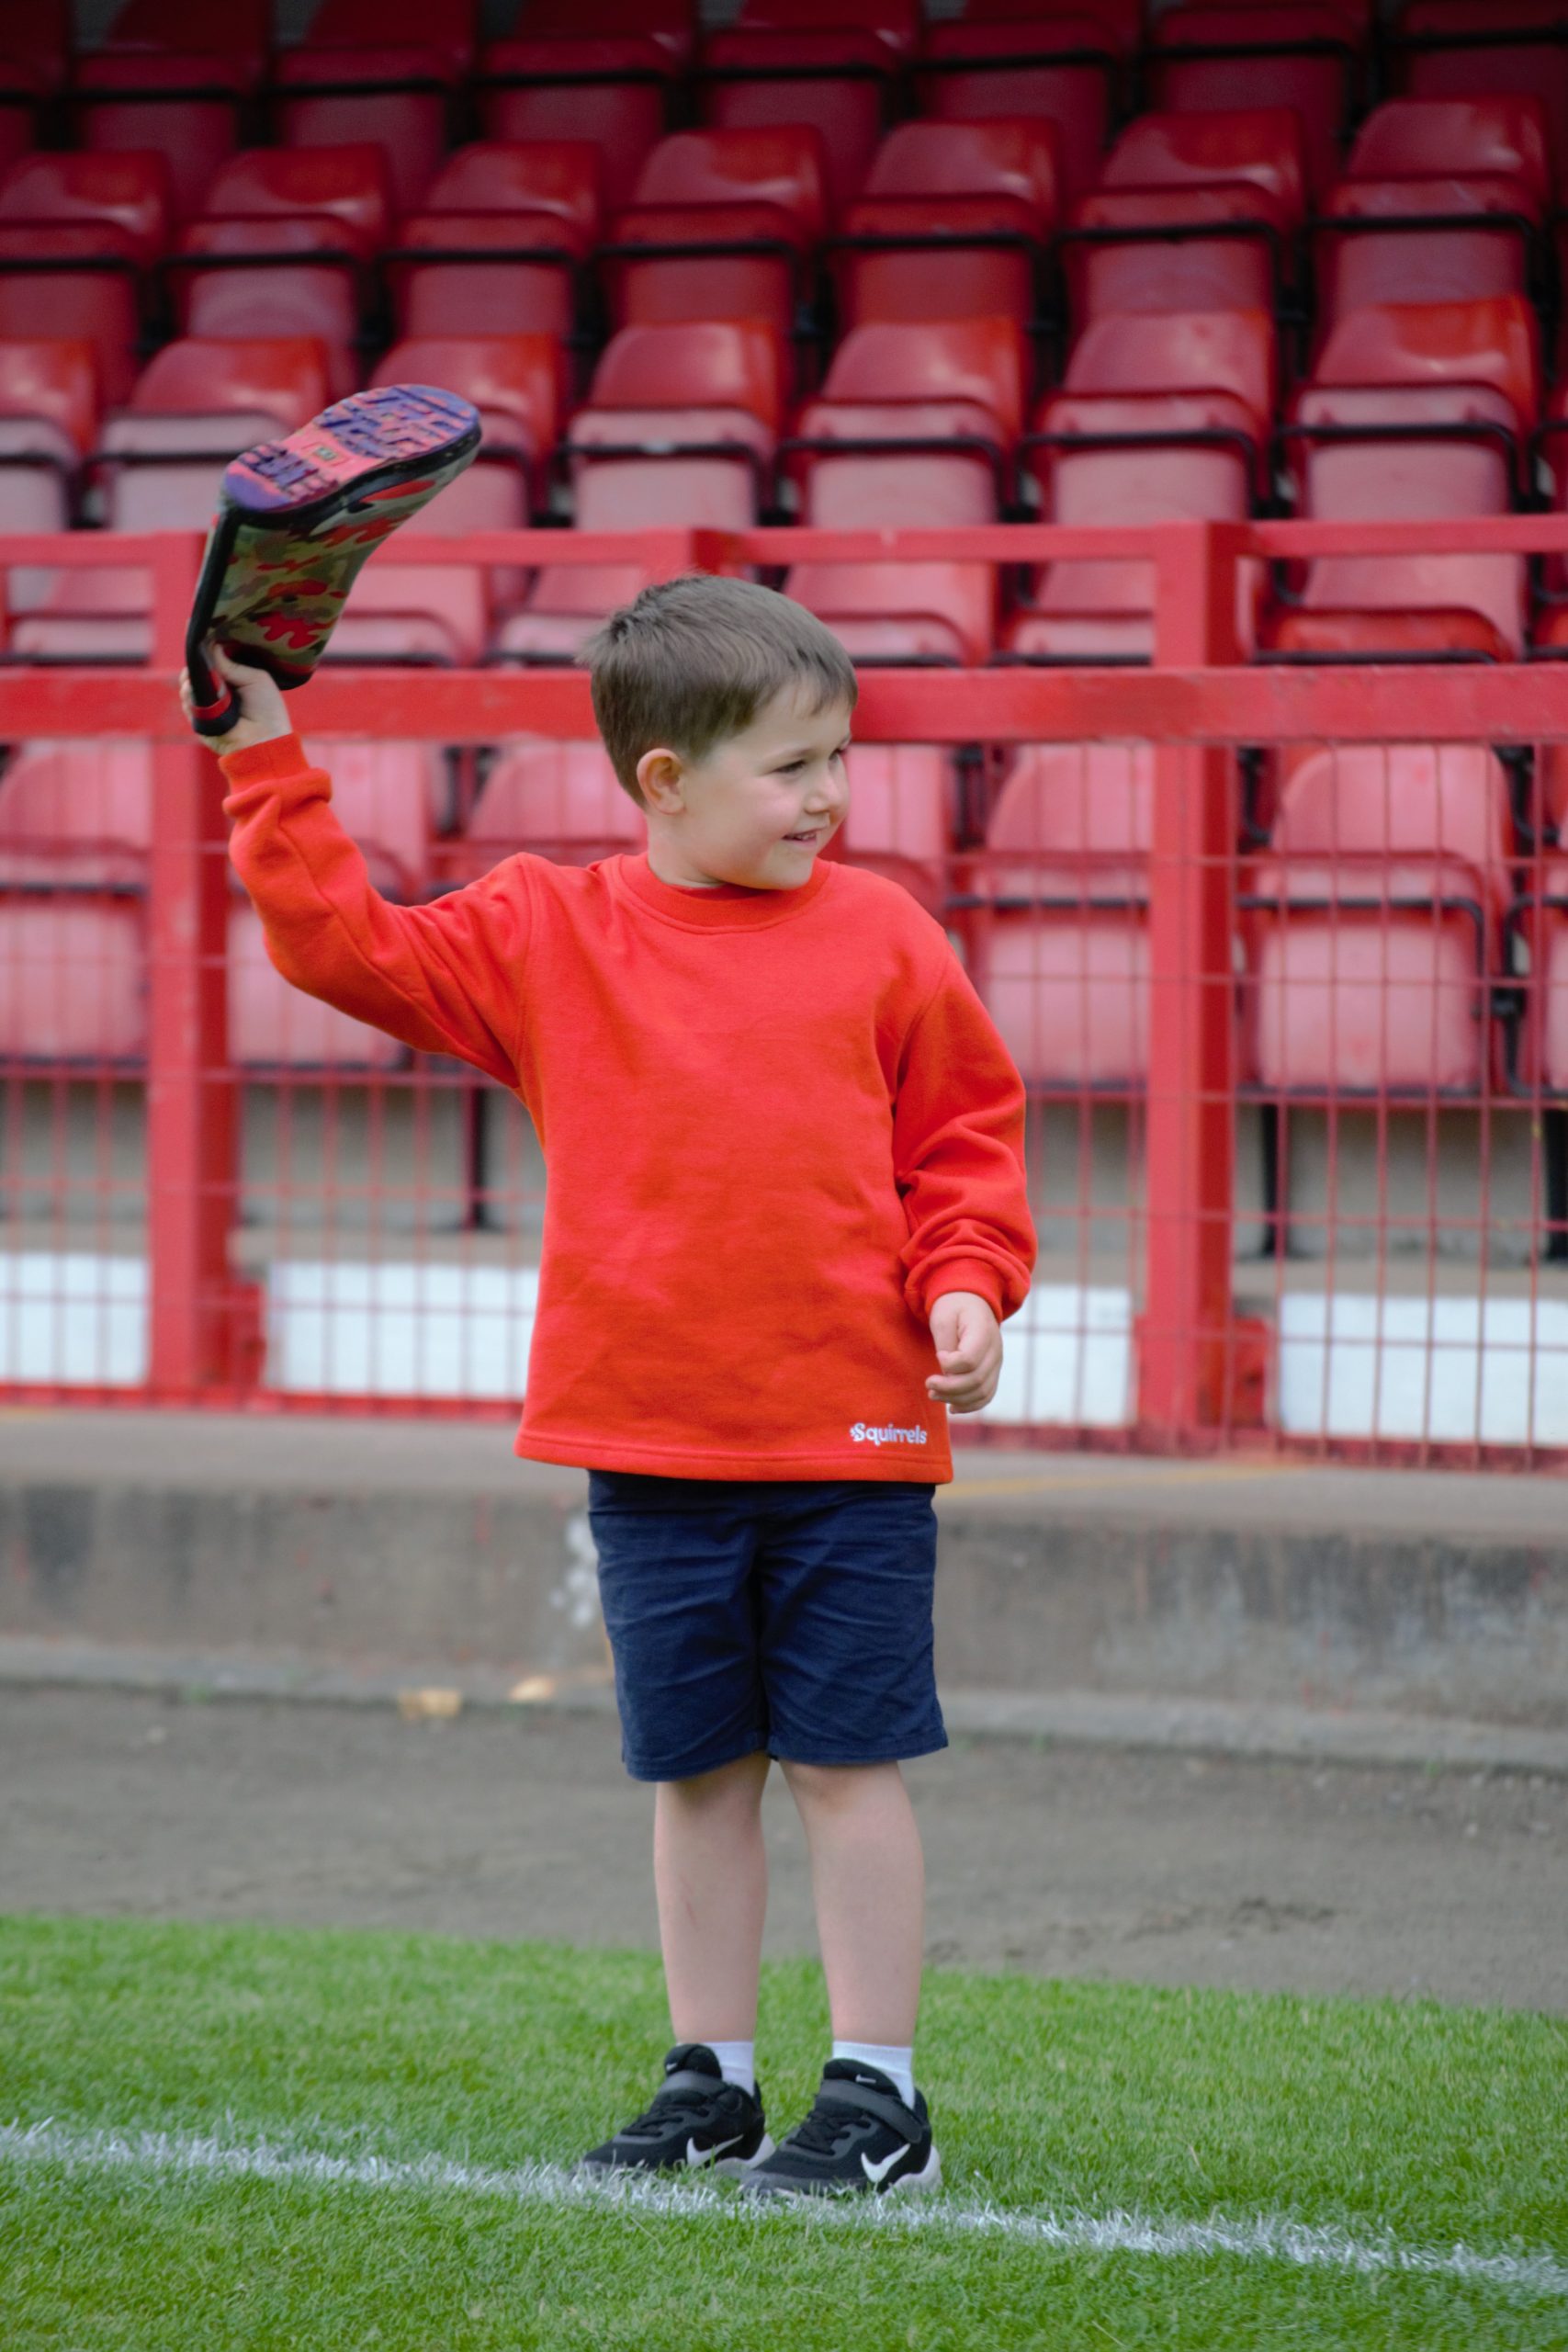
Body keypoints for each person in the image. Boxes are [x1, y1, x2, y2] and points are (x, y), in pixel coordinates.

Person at [182, 574, 1036, 2199]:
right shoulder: (542, 929)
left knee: (848, 1766)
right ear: (665, 780)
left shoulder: (887, 932)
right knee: (697, 1768)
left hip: (853, 1443)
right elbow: (337, 944)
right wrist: (263, 742)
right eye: (793, 768)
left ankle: (881, 2099)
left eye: (840, 758)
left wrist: (970, 1288)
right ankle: (710, 2079)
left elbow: (964, 1147)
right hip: (646, 1443)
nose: (830, 797)